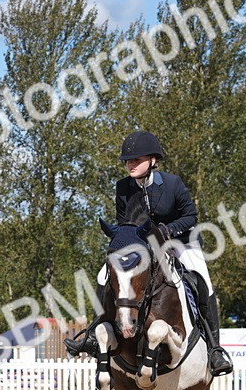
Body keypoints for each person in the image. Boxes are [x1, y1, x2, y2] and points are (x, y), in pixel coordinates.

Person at [65, 131, 233, 376]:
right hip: (142, 245)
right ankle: (93, 334)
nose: (129, 165)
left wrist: (168, 229)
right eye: (127, 161)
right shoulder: (123, 187)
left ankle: (215, 349)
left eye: (135, 160)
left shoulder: (173, 183)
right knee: (104, 275)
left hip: (180, 241)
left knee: (203, 280)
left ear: (153, 161)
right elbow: (124, 222)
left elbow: (190, 216)